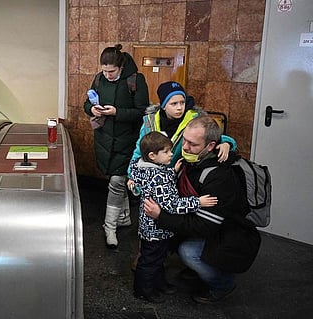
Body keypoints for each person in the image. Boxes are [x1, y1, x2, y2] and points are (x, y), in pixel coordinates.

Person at [144, 116, 261, 304]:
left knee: (188, 251)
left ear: (210, 146)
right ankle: (199, 269)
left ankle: (223, 284)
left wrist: (161, 216)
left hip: (227, 232)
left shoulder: (219, 176)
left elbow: (203, 226)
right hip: (202, 220)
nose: (185, 147)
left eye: (193, 144)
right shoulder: (191, 161)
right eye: (185, 140)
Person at [129, 131, 218, 303]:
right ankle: (143, 290)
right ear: (152, 156)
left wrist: (172, 172)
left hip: (149, 226)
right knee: (150, 261)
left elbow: (152, 181)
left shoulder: (141, 167)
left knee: (158, 258)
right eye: (167, 152)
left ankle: (159, 283)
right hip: (157, 228)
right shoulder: (159, 177)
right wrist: (197, 202)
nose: (172, 154)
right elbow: (172, 204)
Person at [83, 44, 149, 249]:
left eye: (111, 71)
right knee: (114, 179)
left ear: (120, 67)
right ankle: (125, 217)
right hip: (103, 138)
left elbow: (141, 111)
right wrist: (92, 108)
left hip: (126, 139)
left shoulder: (135, 80)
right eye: (104, 70)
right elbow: (86, 103)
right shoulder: (99, 78)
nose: (108, 75)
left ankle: (109, 227)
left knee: (117, 181)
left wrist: (116, 112)